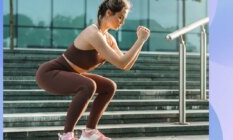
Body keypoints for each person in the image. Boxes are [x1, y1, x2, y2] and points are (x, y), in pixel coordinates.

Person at [36, 0, 150, 140]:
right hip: (49, 74)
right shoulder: (93, 33)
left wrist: (141, 41)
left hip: (69, 74)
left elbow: (126, 65)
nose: (122, 22)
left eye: (124, 19)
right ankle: (66, 136)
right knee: (88, 85)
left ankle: (89, 132)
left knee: (109, 86)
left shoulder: (109, 39)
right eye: (120, 17)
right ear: (108, 13)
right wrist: (140, 41)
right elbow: (122, 63)